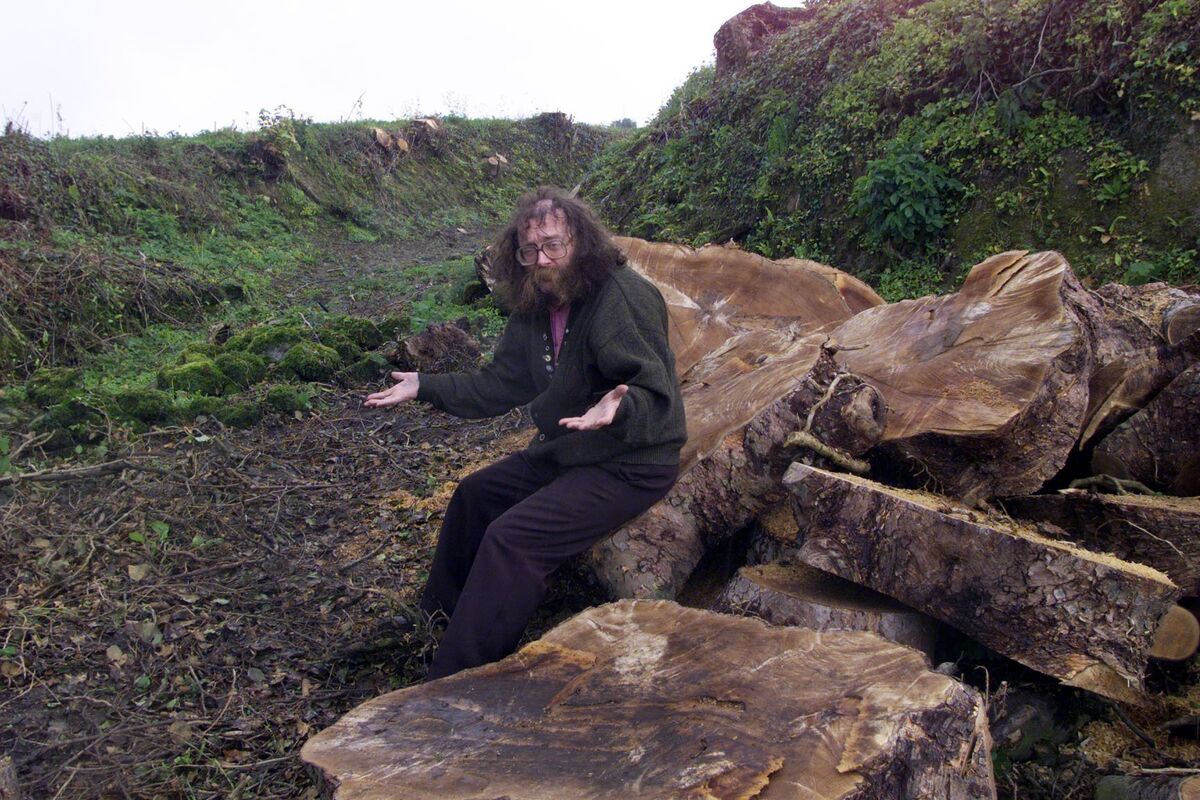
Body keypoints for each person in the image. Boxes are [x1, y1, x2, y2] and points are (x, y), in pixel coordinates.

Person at [364, 187, 686, 680]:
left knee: (513, 540)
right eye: (529, 250)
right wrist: (426, 385)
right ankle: (435, 620)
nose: (542, 259)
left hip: (630, 461)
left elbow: (656, 393)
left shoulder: (622, 297)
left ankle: (455, 680)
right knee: (475, 496)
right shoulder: (539, 302)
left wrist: (618, 408)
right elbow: (500, 383)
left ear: (580, 241)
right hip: (569, 449)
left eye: (553, 245)